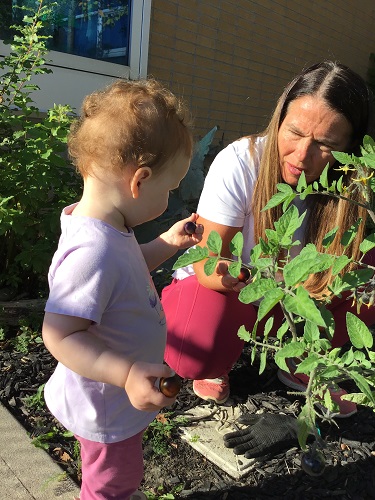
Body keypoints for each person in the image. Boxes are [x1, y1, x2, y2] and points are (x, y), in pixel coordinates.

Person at [161, 61, 375, 423]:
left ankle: (302, 358)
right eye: (293, 132)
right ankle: (218, 356)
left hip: (295, 298)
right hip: (233, 292)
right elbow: (207, 261)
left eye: (325, 144)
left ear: (349, 149)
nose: (302, 155)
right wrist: (244, 277)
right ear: (279, 119)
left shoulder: (350, 183)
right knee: (194, 353)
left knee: (367, 277)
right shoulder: (242, 163)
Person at [41, 79, 204, 500]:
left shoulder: (110, 229)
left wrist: (167, 243)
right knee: (113, 482)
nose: (169, 199)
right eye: (169, 189)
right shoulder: (92, 250)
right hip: (105, 399)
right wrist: (126, 373)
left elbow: (127, 272)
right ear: (140, 180)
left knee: (115, 478)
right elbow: (60, 334)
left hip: (114, 393)